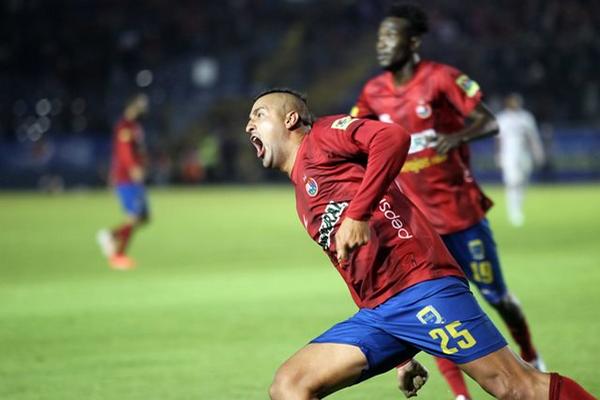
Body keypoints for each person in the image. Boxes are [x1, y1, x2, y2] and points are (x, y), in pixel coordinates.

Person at [245, 88, 594, 400]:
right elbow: (349, 267)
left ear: (290, 119)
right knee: (290, 385)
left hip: (421, 285)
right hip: (380, 312)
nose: (249, 125)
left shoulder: (323, 135)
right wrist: (402, 357)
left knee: (516, 387)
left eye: (259, 115)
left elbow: (392, 137)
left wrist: (358, 214)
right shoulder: (302, 197)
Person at [350, 4, 546, 398]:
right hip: (416, 225)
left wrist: (455, 137)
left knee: (496, 297)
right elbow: (354, 135)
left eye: (390, 37)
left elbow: (488, 121)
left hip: (461, 216)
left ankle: (531, 356)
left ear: (413, 42)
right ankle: (460, 394)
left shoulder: (441, 78)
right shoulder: (373, 92)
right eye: (379, 37)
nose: (381, 44)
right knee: (436, 306)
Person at [97, 93, 150, 270]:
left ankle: (111, 236)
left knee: (144, 217)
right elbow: (124, 151)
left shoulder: (135, 126)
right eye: (141, 105)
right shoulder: (125, 127)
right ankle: (118, 255)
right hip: (127, 177)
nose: (144, 109)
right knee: (133, 217)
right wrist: (133, 167)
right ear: (132, 106)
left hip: (134, 177)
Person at [496, 93, 545, 227]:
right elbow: (498, 139)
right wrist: (498, 155)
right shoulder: (502, 119)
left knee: (523, 182)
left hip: (524, 154)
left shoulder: (526, 117)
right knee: (513, 182)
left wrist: (538, 153)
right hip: (508, 155)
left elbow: (533, 138)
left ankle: (519, 207)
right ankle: (513, 211)